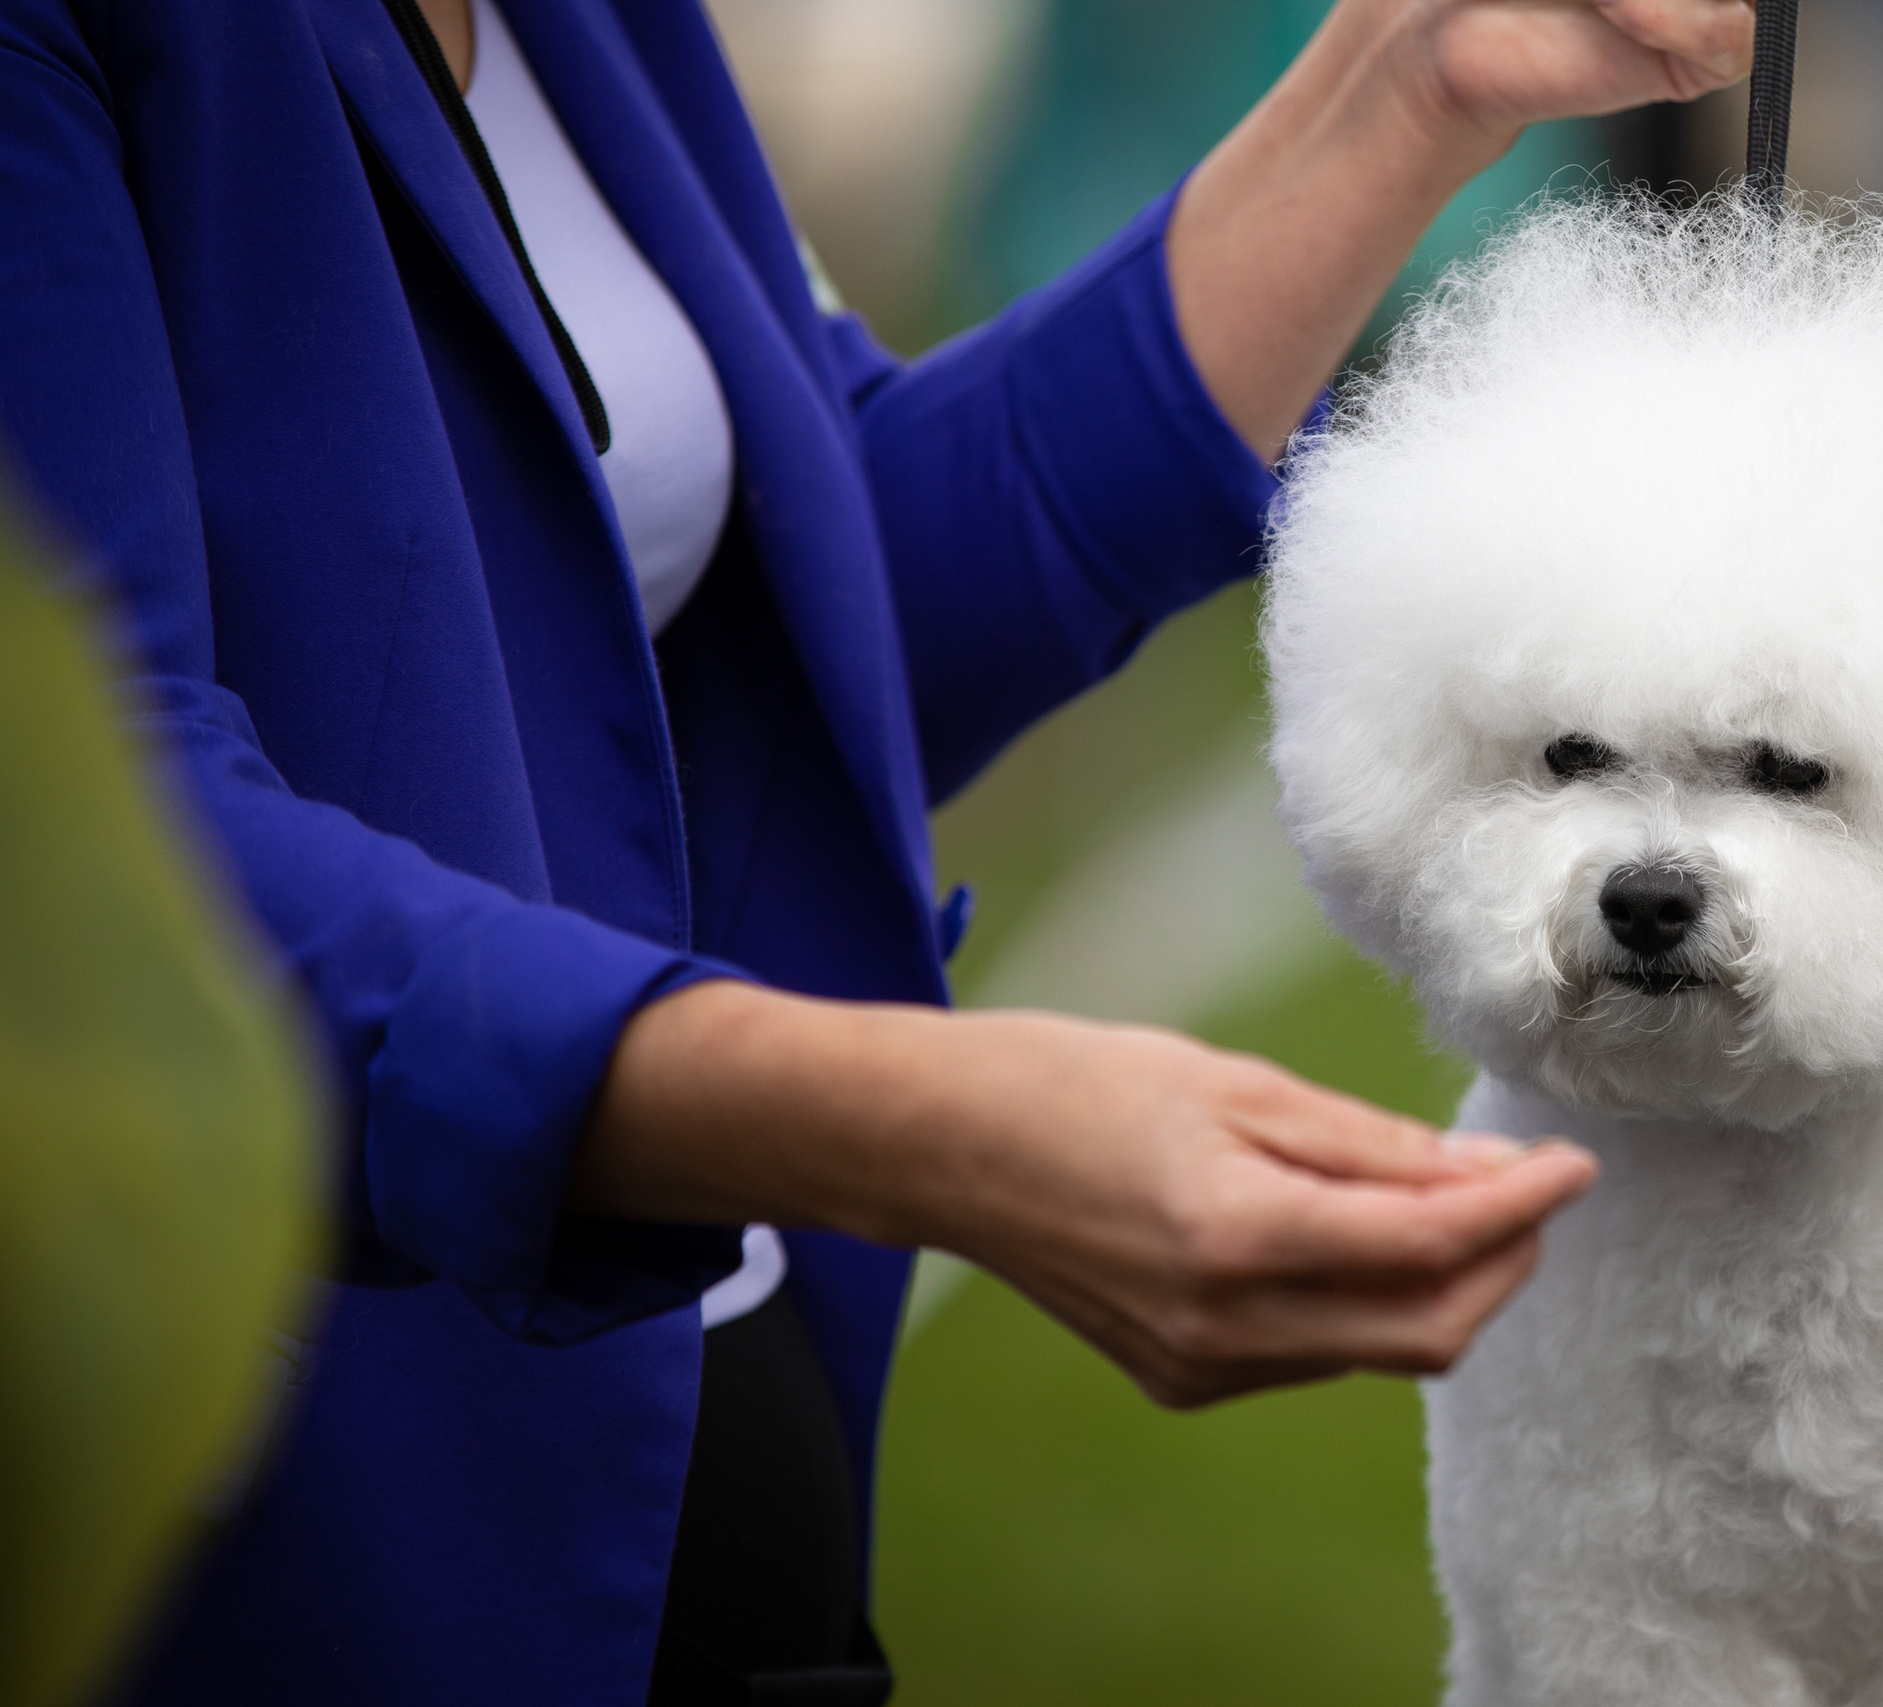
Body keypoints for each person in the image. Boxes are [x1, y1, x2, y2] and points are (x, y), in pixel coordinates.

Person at [0, 0, 1755, 1701]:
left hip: (725, 1445)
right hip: (312, 1536)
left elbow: (810, 602)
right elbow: (95, 877)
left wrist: (1409, 75)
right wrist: (902, 1122)